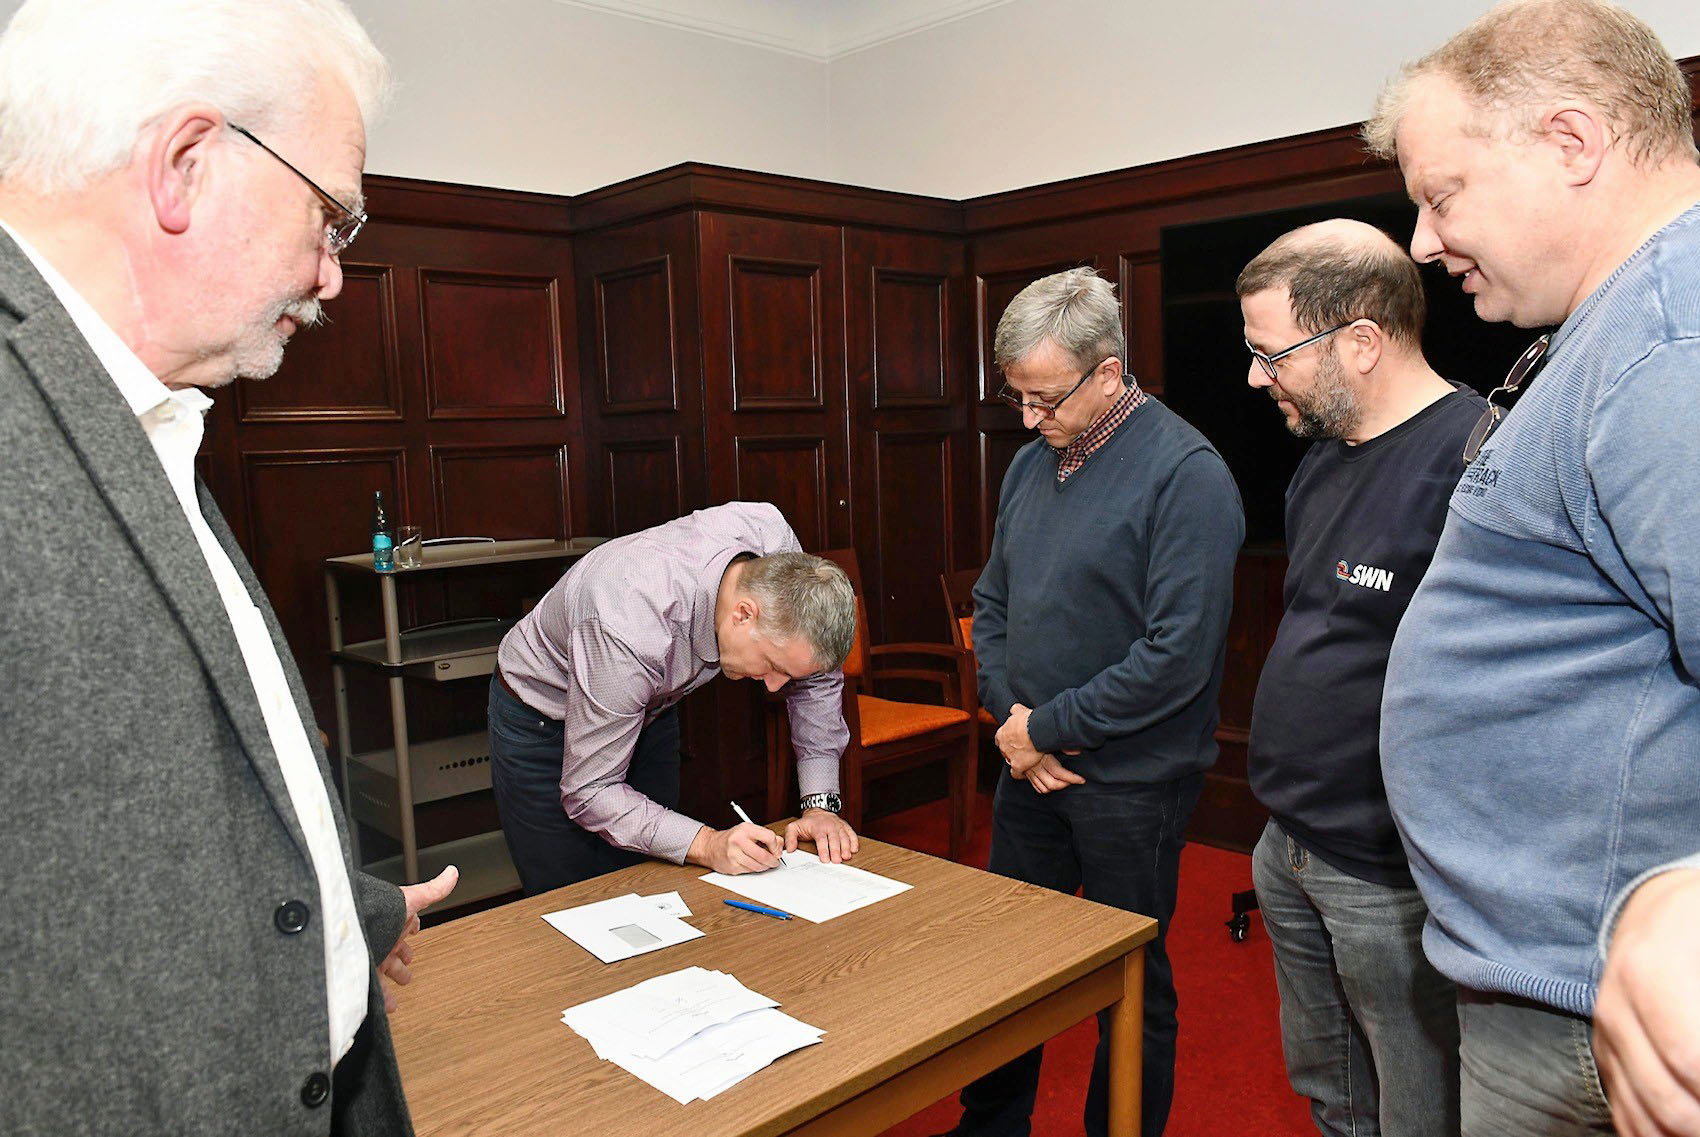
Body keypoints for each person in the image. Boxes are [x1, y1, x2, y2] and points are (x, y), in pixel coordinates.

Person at [0, 1, 456, 1133]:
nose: (332, 276)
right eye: (329, 218)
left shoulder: (141, 405)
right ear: (187, 166)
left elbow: (102, 817)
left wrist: (338, 909)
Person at [1363, 2, 1700, 1134]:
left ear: (1569, 143)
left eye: (1440, 194)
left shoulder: (1668, 341)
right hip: (1551, 978)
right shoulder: (1621, 324)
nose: (1419, 241)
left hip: (1597, 1004)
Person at [938, 268, 1243, 1137]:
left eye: (1045, 398)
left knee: (1130, 980)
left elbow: (1175, 658)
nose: (1029, 420)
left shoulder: (1186, 473)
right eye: (1017, 398)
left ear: (1108, 373)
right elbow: (991, 606)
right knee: (1007, 967)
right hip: (1025, 765)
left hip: (1133, 782)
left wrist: (1047, 727)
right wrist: (1012, 726)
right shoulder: (1034, 466)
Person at [1239, 219, 1485, 1137]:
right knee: (1332, 1091)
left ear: (1362, 341)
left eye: (1272, 353)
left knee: (1418, 1105)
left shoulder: (1475, 460)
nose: (1257, 377)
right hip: (1288, 840)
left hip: (1387, 871)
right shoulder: (1319, 462)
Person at [489, 501, 860, 893]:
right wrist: (708, 843)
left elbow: (814, 677)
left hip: (648, 708)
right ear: (743, 614)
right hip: (542, 722)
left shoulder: (776, 547)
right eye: (771, 664)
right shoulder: (630, 622)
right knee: (571, 906)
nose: (773, 687)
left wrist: (820, 805)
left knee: (655, 896)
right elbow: (591, 790)